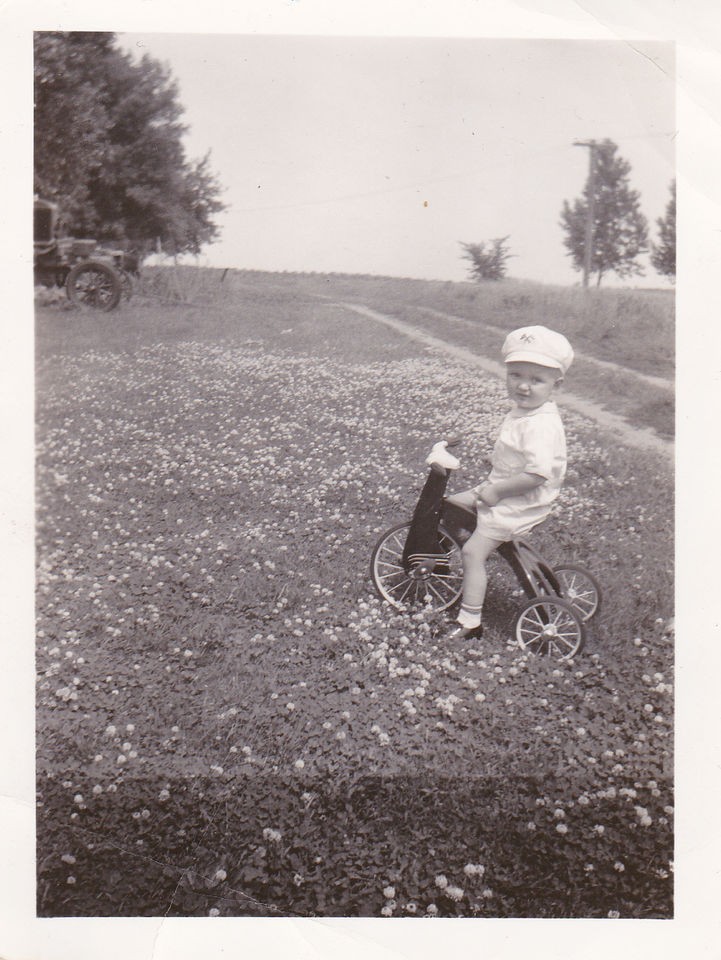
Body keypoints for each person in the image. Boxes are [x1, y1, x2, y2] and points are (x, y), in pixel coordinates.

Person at [432, 325, 574, 641]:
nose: (523, 386)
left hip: (520, 501)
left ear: (556, 384)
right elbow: (519, 457)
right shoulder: (528, 411)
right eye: (516, 376)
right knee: (453, 505)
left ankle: (470, 622)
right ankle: (444, 558)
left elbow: (536, 474)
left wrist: (495, 490)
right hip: (508, 487)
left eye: (536, 380)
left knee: (473, 553)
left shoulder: (539, 425)